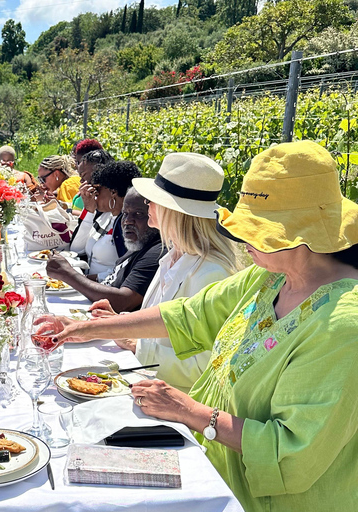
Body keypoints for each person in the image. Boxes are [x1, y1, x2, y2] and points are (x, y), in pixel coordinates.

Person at [37, 141, 358, 512]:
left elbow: (292, 448)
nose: (239, 239)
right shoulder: (268, 277)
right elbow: (187, 315)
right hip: (218, 470)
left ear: (300, 235)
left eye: (254, 231)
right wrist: (80, 328)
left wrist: (189, 411)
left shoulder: (342, 325)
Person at [98, 153, 239, 392]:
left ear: (173, 211)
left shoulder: (211, 274)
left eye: (153, 200)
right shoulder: (174, 257)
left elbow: (204, 368)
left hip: (174, 410)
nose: (147, 204)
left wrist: (136, 344)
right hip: (150, 389)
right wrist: (125, 322)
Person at [46, 187, 161, 312]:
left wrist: (68, 274)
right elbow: (112, 279)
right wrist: (68, 275)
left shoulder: (157, 252)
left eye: (139, 214)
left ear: (156, 216)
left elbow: (124, 302)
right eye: (125, 214)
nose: (128, 221)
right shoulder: (139, 242)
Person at [80, 161, 141, 279]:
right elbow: (76, 248)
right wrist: (88, 210)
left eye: (97, 189)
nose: (94, 195)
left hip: (105, 290)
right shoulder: (105, 217)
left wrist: (84, 280)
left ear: (113, 192)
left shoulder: (128, 225)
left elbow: (127, 270)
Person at [70, 149, 116, 254]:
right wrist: (89, 210)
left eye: (84, 175)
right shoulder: (100, 211)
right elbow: (76, 249)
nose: (81, 182)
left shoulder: (122, 217)